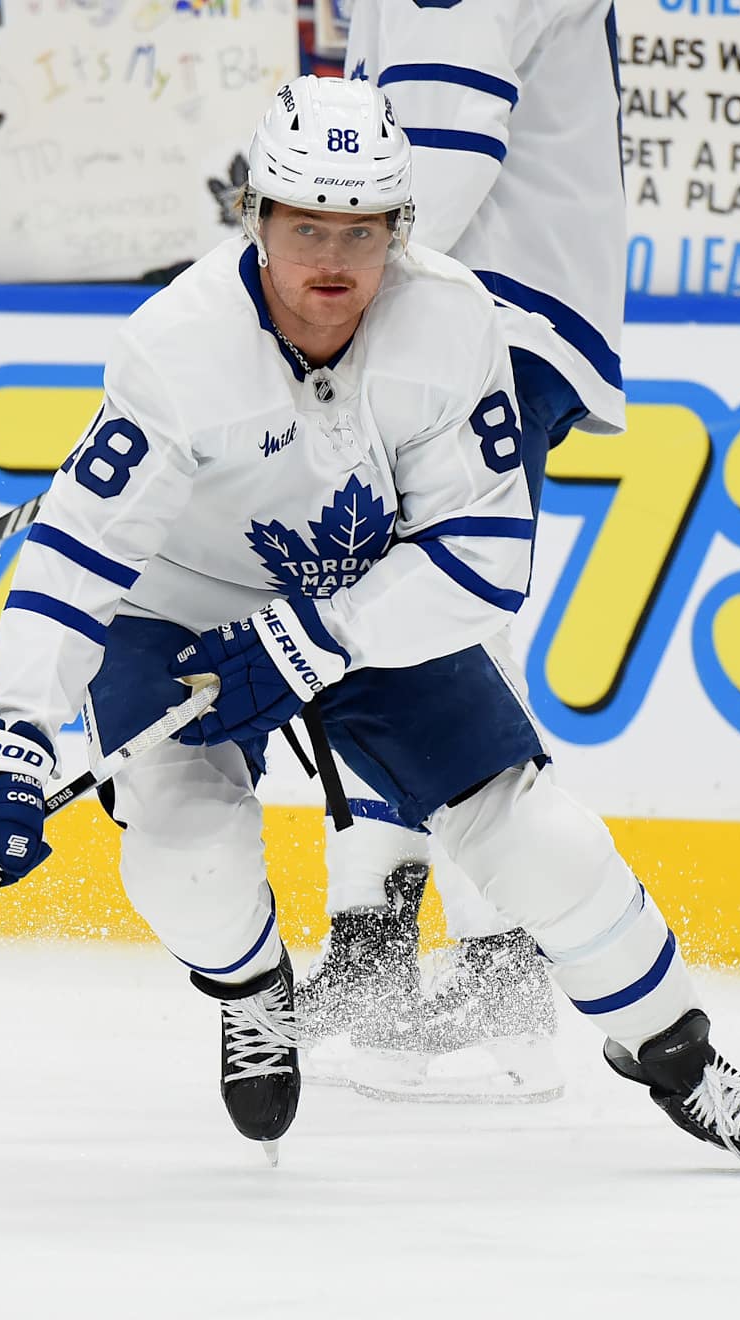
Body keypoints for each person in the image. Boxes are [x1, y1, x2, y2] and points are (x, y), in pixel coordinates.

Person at [0, 75, 740, 1175]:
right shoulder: (173, 347)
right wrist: (13, 735)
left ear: (399, 230)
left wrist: (309, 639)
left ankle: (686, 1065)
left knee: (540, 837)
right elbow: (80, 554)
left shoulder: (453, 321)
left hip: (365, 603)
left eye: (363, 231)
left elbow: (486, 555)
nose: (334, 259)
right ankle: (253, 987)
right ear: (257, 219)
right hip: (179, 610)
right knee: (185, 855)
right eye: (307, 228)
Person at [292, 0, 631, 1101]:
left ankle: (500, 972)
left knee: (424, 622)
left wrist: (315, 310)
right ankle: (377, 960)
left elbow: (445, 140)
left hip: (481, 314)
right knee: (372, 607)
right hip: (491, 309)